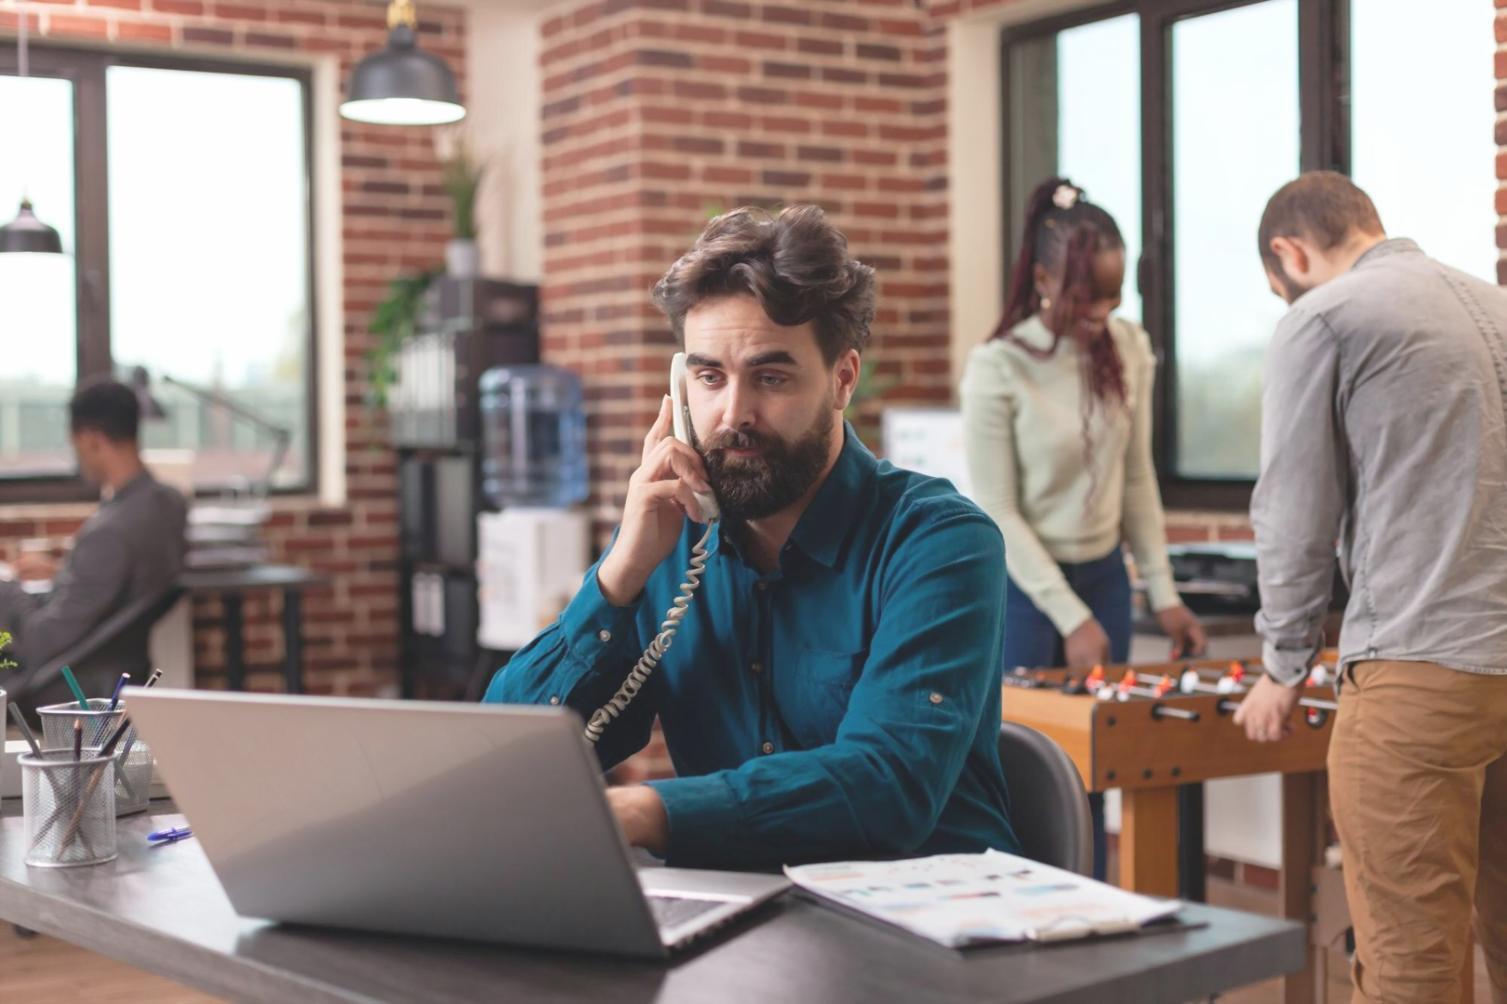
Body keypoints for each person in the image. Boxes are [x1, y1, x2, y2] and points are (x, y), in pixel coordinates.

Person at [485, 205, 1020, 870]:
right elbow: (506, 758)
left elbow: (889, 784)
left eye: (770, 377)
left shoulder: (939, 542)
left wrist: (646, 811)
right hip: (744, 923)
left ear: (842, 379)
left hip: (935, 930)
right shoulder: (671, 543)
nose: (734, 413)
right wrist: (620, 573)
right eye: (709, 377)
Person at [1234, 171, 1507, 1004]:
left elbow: (1292, 515)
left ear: (1289, 253)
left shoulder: (1324, 318)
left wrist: (1281, 666)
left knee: (1409, 968)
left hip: (1421, 673)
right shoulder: (1494, 306)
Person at [960, 177, 1204, 877]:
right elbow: (997, 512)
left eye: (1112, 295)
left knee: (1095, 775)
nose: (1101, 312)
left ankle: (1090, 921)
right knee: (1031, 774)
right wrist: (1067, 614)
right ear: (1041, 279)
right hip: (1024, 592)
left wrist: (1159, 592)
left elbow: (1135, 479)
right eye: (1084, 296)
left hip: (1101, 579)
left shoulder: (1127, 348)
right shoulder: (997, 367)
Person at [0, 379, 188, 704]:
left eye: (76, 445)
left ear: (92, 439)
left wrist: (8, 583)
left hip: (66, 681)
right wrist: (63, 571)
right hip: (115, 665)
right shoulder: (169, 503)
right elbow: (108, 585)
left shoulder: (109, 533)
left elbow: (39, 642)